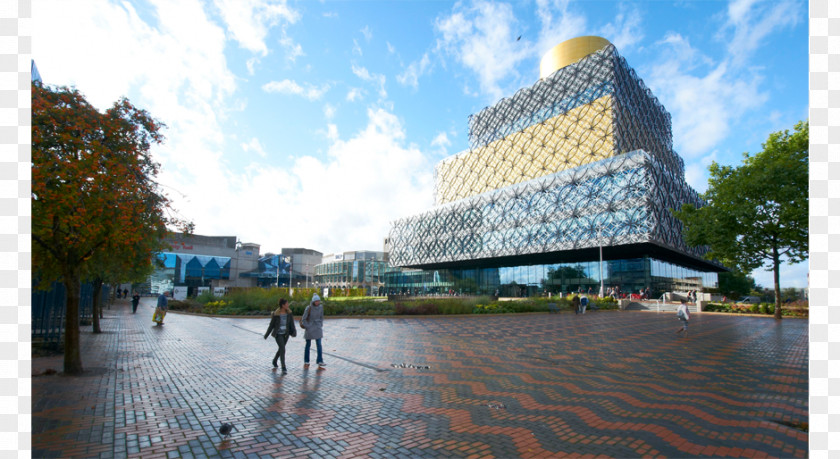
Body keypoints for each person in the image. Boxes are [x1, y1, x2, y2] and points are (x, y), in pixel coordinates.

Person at [264, 298, 297, 372]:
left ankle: (274, 360)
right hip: (278, 334)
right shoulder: (276, 314)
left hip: (286, 334)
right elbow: (271, 325)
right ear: (283, 305)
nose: (288, 305)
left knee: (281, 349)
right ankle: (283, 367)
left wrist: (294, 332)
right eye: (287, 304)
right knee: (282, 348)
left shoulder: (289, 313)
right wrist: (266, 335)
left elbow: (292, 323)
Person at [300, 293, 326, 368]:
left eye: (318, 301)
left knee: (319, 344)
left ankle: (320, 360)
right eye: (316, 301)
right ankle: (306, 360)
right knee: (308, 345)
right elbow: (303, 319)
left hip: (317, 327)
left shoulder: (321, 307)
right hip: (310, 328)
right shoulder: (308, 308)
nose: (317, 302)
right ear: (313, 301)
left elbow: (321, 317)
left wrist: (320, 324)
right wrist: (308, 326)